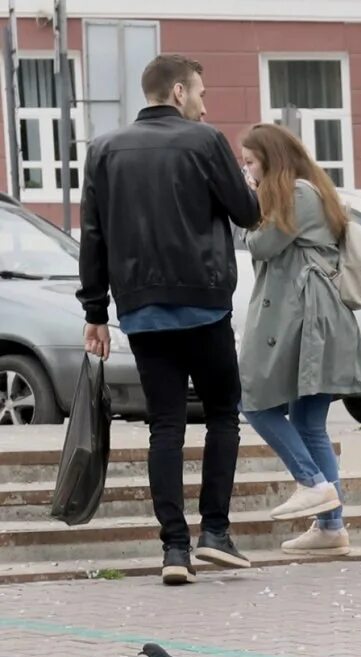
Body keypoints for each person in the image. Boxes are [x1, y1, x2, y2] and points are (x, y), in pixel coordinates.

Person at [75, 53, 259, 585]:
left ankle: (174, 550)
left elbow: (93, 234)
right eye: (200, 91)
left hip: (141, 311)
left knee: (166, 426)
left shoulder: (104, 149)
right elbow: (247, 213)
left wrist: (95, 311)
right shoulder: (205, 142)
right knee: (223, 415)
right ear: (178, 92)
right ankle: (216, 534)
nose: (205, 103)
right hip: (204, 305)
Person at [236, 123, 361, 558]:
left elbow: (261, 244)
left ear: (272, 160)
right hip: (315, 317)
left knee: (254, 403)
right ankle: (332, 527)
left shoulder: (297, 195)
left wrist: (248, 199)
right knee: (310, 423)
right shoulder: (310, 190)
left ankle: (312, 484)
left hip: (307, 318)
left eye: (251, 162)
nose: (247, 169)